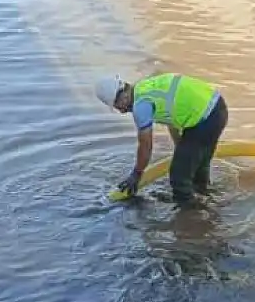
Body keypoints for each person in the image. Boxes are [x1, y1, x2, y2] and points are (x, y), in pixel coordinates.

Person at [95, 71, 229, 204]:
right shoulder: (145, 86)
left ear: (122, 96)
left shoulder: (141, 106)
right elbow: (172, 120)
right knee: (198, 164)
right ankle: (204, 195)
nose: (122, 111)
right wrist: (182, 149)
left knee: (178, 177)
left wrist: (136, 174)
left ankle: (190, 213)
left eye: (118, 107)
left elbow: (145, 145)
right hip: (217, 107)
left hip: (205, 120)